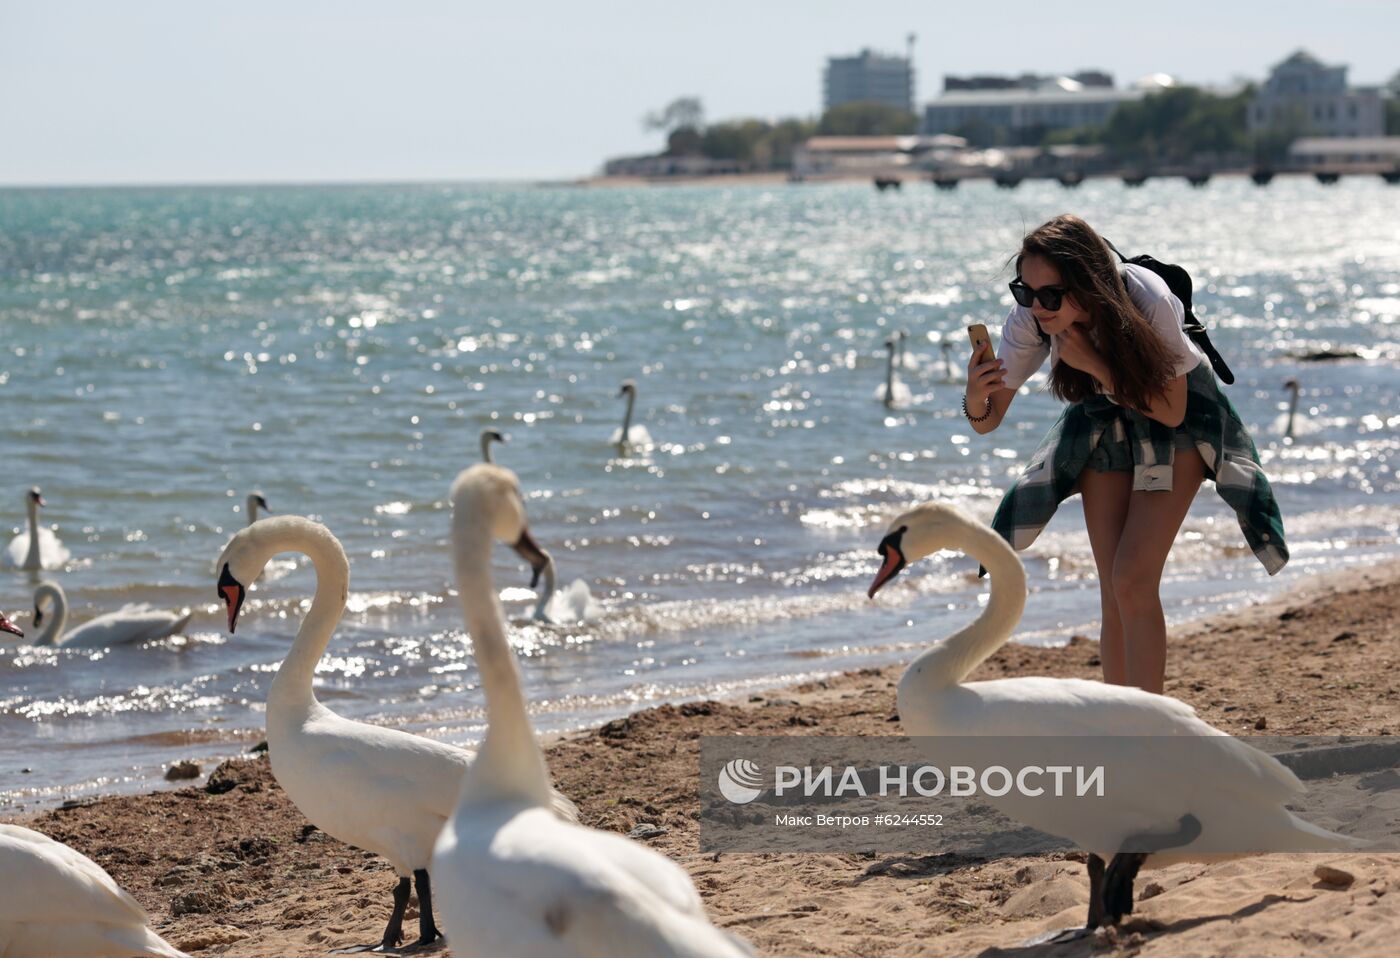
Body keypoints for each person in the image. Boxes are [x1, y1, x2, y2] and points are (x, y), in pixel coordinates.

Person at [963, 215, 1286, 694]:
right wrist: (974, 394)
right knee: (1114, 593)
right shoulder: (1032, 318)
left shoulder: (1146, 297)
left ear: (1088, 284)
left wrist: (1093, 363)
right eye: (1024, 291)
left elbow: (1172, 409)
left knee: (1133, 579)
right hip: (1102, 422)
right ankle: (1120, 726)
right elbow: (988, 420)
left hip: (1176, 419)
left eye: (1050, 294)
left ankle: (1152, 729)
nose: (1036, 306)